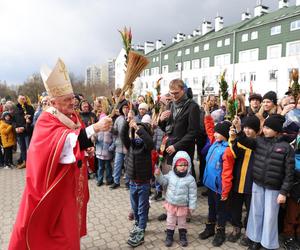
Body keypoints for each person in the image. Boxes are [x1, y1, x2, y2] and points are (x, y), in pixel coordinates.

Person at [8, 58, 112, 250]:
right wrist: (95, 128)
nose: (73, 102)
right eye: (67, 99)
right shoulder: (47, 118)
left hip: (70, 185)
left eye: (73, 98)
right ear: (54, 102)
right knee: (56, 232)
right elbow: (62, 143)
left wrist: (86, 147)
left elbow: (76, 139)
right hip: (51, 186)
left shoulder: (73, 115)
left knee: (69, 227)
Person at [233, 114, 295, 250]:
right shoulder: (259, 141)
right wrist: (238, 129)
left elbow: (289, 173)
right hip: (258, 184)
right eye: (265, 126)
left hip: (274, 188)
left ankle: (267, 243)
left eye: (268, 127)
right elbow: (244, 141)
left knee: (270, 217)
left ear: (277, 130)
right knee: (256, 213)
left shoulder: (286, 148)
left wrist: (283, 192)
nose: (264, 130)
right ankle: (254, 240)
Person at [199, 104, 234, 247]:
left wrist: (225, 191)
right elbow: (209, 128)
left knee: (221, 211)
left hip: (220, 188)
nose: (213, 134)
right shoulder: (215, 141)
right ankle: (210, 228)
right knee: (211, 207)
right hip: (211, 185)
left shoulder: (227, 150)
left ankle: (220, 231)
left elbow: (227, 173)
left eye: (217, 133)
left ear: (225, 135)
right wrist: (207, 114)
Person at [120, 110, 154, 247]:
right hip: (132, 183)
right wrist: (127, 122)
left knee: (142, 207)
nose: (138, 137)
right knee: (135, 208)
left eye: (140, 134)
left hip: (144, 184)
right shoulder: (131, 145)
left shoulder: (146, 147)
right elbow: (123, 135)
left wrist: (137, 128)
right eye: (136, 134)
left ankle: (141, 229)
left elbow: (150, 142)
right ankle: (137, 224)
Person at [227, 115, 261, 246]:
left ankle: (249, 232)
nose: (247, 130)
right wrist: (233, 139)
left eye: (251, 128)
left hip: (251, 184)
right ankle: (236, 227)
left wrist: (239, 131)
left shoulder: (258, 143)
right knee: (235, 208)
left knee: (250, 210)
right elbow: (235, 154)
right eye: (245, 127)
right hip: (237, 182)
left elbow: (248, 143)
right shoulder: (241, 141)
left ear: (257, 131)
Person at [154, 151, 197, 247]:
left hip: (183, 206)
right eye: (180, 165)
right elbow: (163, 182)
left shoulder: (190, 179)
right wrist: (158, 175)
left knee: (182, 222)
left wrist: (192, 206)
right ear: (175, 165)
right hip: (171, 205)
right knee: (170, 221)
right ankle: (169, 236)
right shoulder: (170, 175)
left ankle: (182, 236)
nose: (183, 167)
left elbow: (193, 194)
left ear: (189, 165)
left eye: (185, 165)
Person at [110, 100, 129, 189]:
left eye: (127, 108)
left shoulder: (131, 118)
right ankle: (116, 181)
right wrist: (111, 129)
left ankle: (128, 182)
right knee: (117, 164)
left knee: (128, 165)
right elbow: (115, 131)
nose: (126, 109)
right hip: (119, 146)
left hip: (128, 146)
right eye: (124, 108)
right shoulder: (118, 119)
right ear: (121, 109)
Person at [14, 95, 35, 169]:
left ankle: (31, 162)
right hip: (19, 132)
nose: (22, 100)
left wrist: (30, 117)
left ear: (26, 99)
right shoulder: (15, 108)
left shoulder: (30, 107)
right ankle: (24, 162)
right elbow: (13, 120)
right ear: (18, 99)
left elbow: (34, 118)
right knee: (22, 148)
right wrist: (16, 127)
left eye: (24, 99)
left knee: (29, 148)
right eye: (21, 99)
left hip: (27, 131)